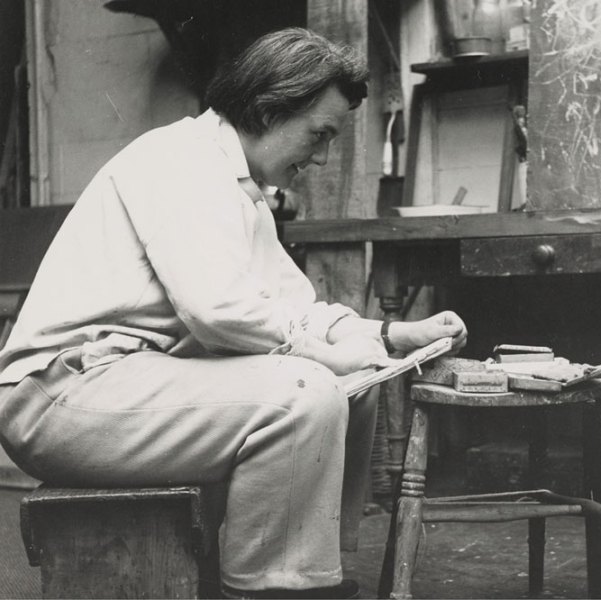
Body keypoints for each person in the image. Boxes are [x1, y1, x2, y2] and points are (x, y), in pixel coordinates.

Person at [0, 27, 467, 599]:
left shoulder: (239, 187)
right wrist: (323, 355)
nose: (321, 157)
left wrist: (391, 334)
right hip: (61, 396)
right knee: (303, 390)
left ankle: (301, 572)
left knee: (352, 380)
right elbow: (217, 311)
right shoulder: (181, 160)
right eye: (319, 135)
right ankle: (272, 587)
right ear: (270, 109)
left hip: (125, 384)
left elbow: (295, 308)